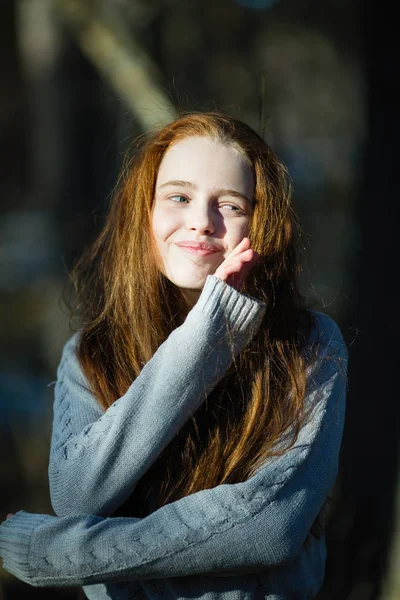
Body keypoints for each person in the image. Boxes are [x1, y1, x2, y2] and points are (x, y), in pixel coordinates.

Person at [0, 111, 347, 599]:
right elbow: (80, 495)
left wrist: (65, 555)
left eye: (229, 205)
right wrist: (207, 336)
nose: (201, 223)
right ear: (146, 211)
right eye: (179, 197)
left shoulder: (309, 345)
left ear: (259, 221)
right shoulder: (91, 353)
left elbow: (272, 527)